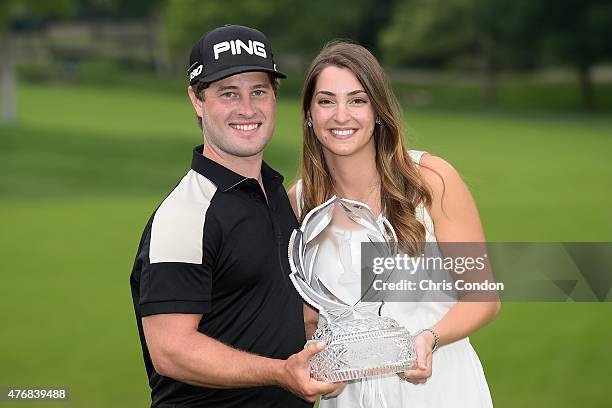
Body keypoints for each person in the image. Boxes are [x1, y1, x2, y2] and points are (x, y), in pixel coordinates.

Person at [129, 25, 341, 408]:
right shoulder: (185, 214)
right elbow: (171, 349)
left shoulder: (278, 195)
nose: (247, 109)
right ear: (197, 100)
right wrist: (279, 372)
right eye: (229, 93)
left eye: (258, 91)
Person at [288, 41, 501, 407]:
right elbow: (309, 316)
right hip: (352, 396)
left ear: (378, 111)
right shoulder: (299, 202)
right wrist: (320, 361)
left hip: (440, 388)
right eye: (326, 101)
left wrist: (429, 338)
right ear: (309, 114)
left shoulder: (432, 179)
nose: (342, 115)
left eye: (357, 100)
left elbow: (483, 297)